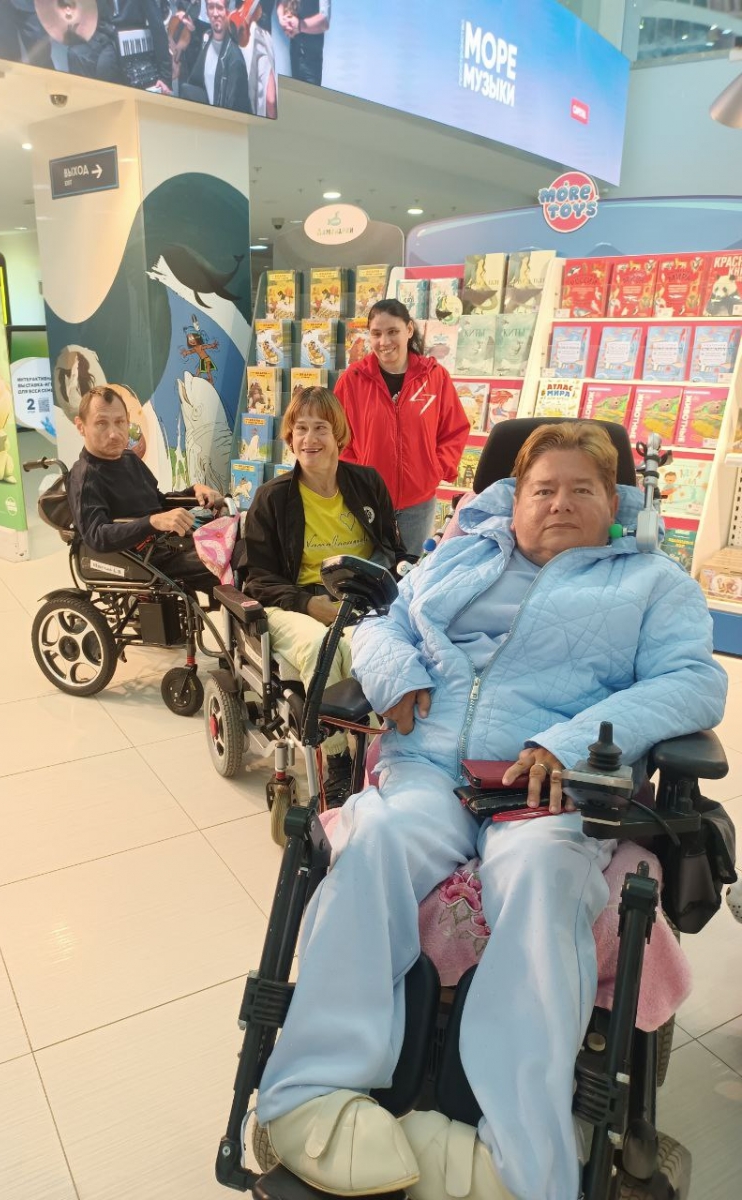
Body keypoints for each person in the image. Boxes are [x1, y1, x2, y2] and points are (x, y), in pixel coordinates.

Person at [255, 421, 727, 1200]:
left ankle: (517, 1155)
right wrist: (396, 673)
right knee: (372, 843)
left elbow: (693, 682)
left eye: (582, 489)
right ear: (514, 499)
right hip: (427, 768)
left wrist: (570, 744)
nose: (559, 503)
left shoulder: (653, 583)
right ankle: (310, 1095)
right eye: (543, 489)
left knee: (544, 883)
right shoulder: (461, 555)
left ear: (614, 503)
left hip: (546, 790)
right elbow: (384, 623)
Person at [240, 386, 404, 806]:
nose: (309, 439)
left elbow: (392, 549)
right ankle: (337, 759)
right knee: (322, 647)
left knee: (374, 647)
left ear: (339, 435)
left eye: (320, 428)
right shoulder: (273, 497)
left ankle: (380, 751)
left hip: (359, 599)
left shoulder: (367, 483)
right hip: (293, 601)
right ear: (289, 437)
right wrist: (310, 604)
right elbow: (258, 577)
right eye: (300, 429)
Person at [335, 298, 471, 556]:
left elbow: (454, 429)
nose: (384, 341)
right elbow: (337, 436)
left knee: (408, 570)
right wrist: (357, 477)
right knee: (366, 570)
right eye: (376, 333)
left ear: (409, 330)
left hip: (418, 504)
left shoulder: (434, 376)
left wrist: (434, 469)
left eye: (392, 331)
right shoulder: (352, 380)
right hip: (367, 501)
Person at [67, 385, 222, 595]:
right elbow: (97, 536)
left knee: (240, 538)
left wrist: (194, 491)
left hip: (166, 545)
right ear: (81, 426)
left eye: (120, 422)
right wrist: (153, 522)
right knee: (229, 558)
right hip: (140, 561)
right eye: (101, 423)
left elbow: (158, 502)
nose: (113, 434)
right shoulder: (85, 477)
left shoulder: (129, 459)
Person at [183, 0, 252, 113]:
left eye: (219, 8)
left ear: (227, 11)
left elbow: (236, 109)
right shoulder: (207, 42)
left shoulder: (235, 59)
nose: (215, 13)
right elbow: (195, 84)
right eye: (211, 7)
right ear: (206, 11)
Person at [277, 0, 329, 85]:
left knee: (310, 92)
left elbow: (325, 21)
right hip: (295, 52)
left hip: (312, 59)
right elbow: (281, 3)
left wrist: (299, 25)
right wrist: (282, 19)